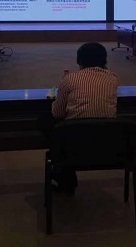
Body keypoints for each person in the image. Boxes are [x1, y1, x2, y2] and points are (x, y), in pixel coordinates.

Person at [38, 43, 119, 194]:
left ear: (79, 60)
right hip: (107, 143)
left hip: (73, 142)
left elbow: (57, 113)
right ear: (104, 60)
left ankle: (62, 168)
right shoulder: (113, 79)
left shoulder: (70, 79)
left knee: (45, 121)